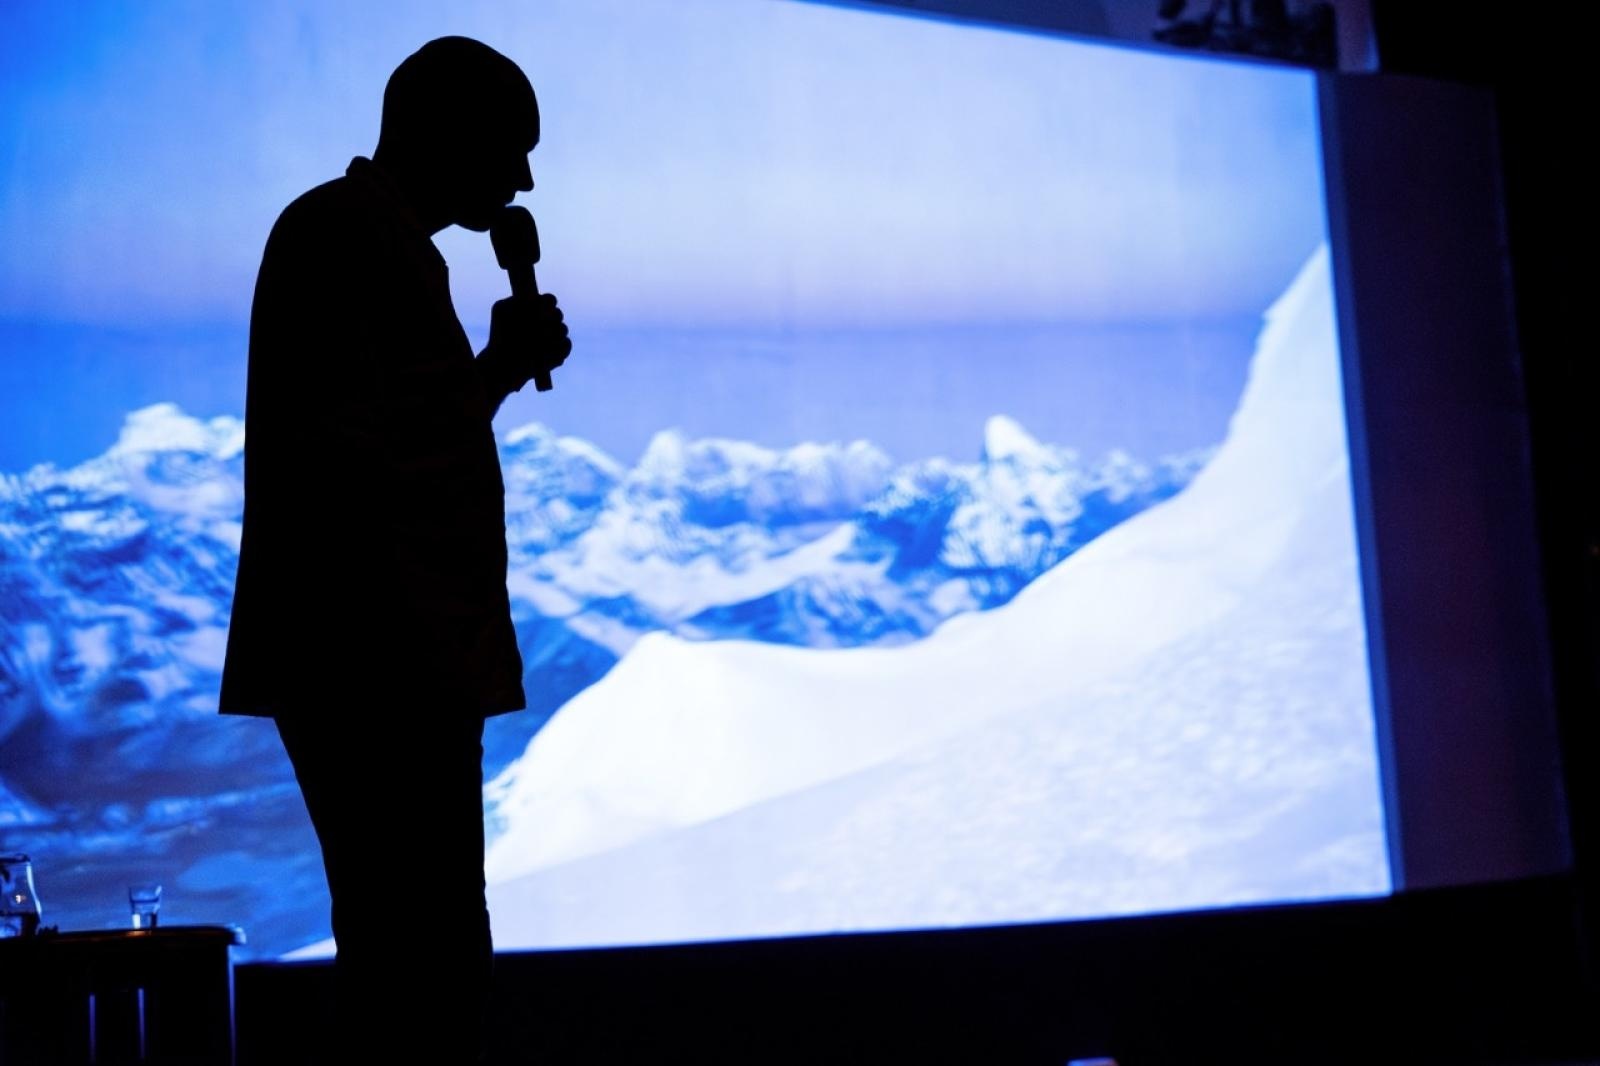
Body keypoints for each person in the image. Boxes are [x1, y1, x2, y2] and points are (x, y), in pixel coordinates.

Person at [217, 36, 570, 1064]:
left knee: (419, 948)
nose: (523, 179)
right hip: (372, 656)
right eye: (511, 147)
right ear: (444, 133)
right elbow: (353, 448)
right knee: (420, 953)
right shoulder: (341, 236)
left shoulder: (378, 243)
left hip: (395, 657)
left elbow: (399, 434)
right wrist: (496, 367)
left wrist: (492, 377)